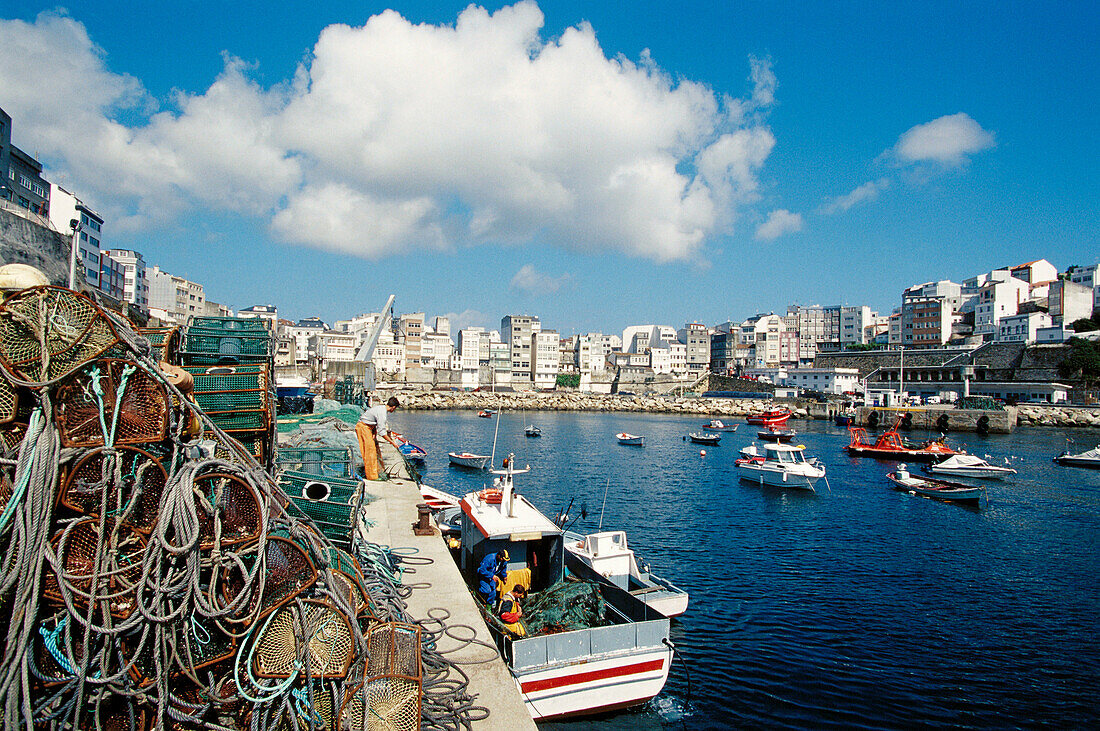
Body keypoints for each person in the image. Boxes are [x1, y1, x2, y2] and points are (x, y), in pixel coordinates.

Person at [355, 396, 400, 480]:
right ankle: (372, 476)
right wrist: (392, 442)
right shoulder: (382, 413)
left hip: (369, 428)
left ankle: (379, 471)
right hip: (363, 428)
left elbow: (374, 423)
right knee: (370, 452)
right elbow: (382, 432)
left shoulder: (381, 408)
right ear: (393, 407)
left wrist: (374, 434)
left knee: (376, 451)